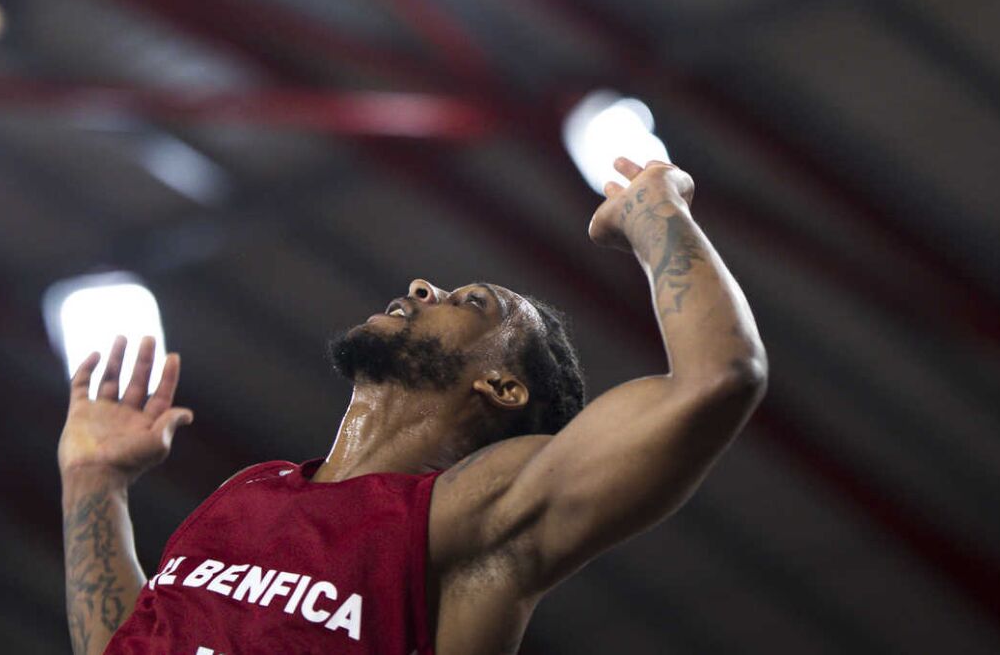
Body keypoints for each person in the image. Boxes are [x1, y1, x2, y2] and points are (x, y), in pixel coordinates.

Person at [58, 157, 767, 655]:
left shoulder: (473, 511)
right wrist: (93, 483)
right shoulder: (247, 489)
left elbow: (717, 379)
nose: (426, 286)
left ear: (503, 387)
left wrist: (658, 215)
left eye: (472, 302)